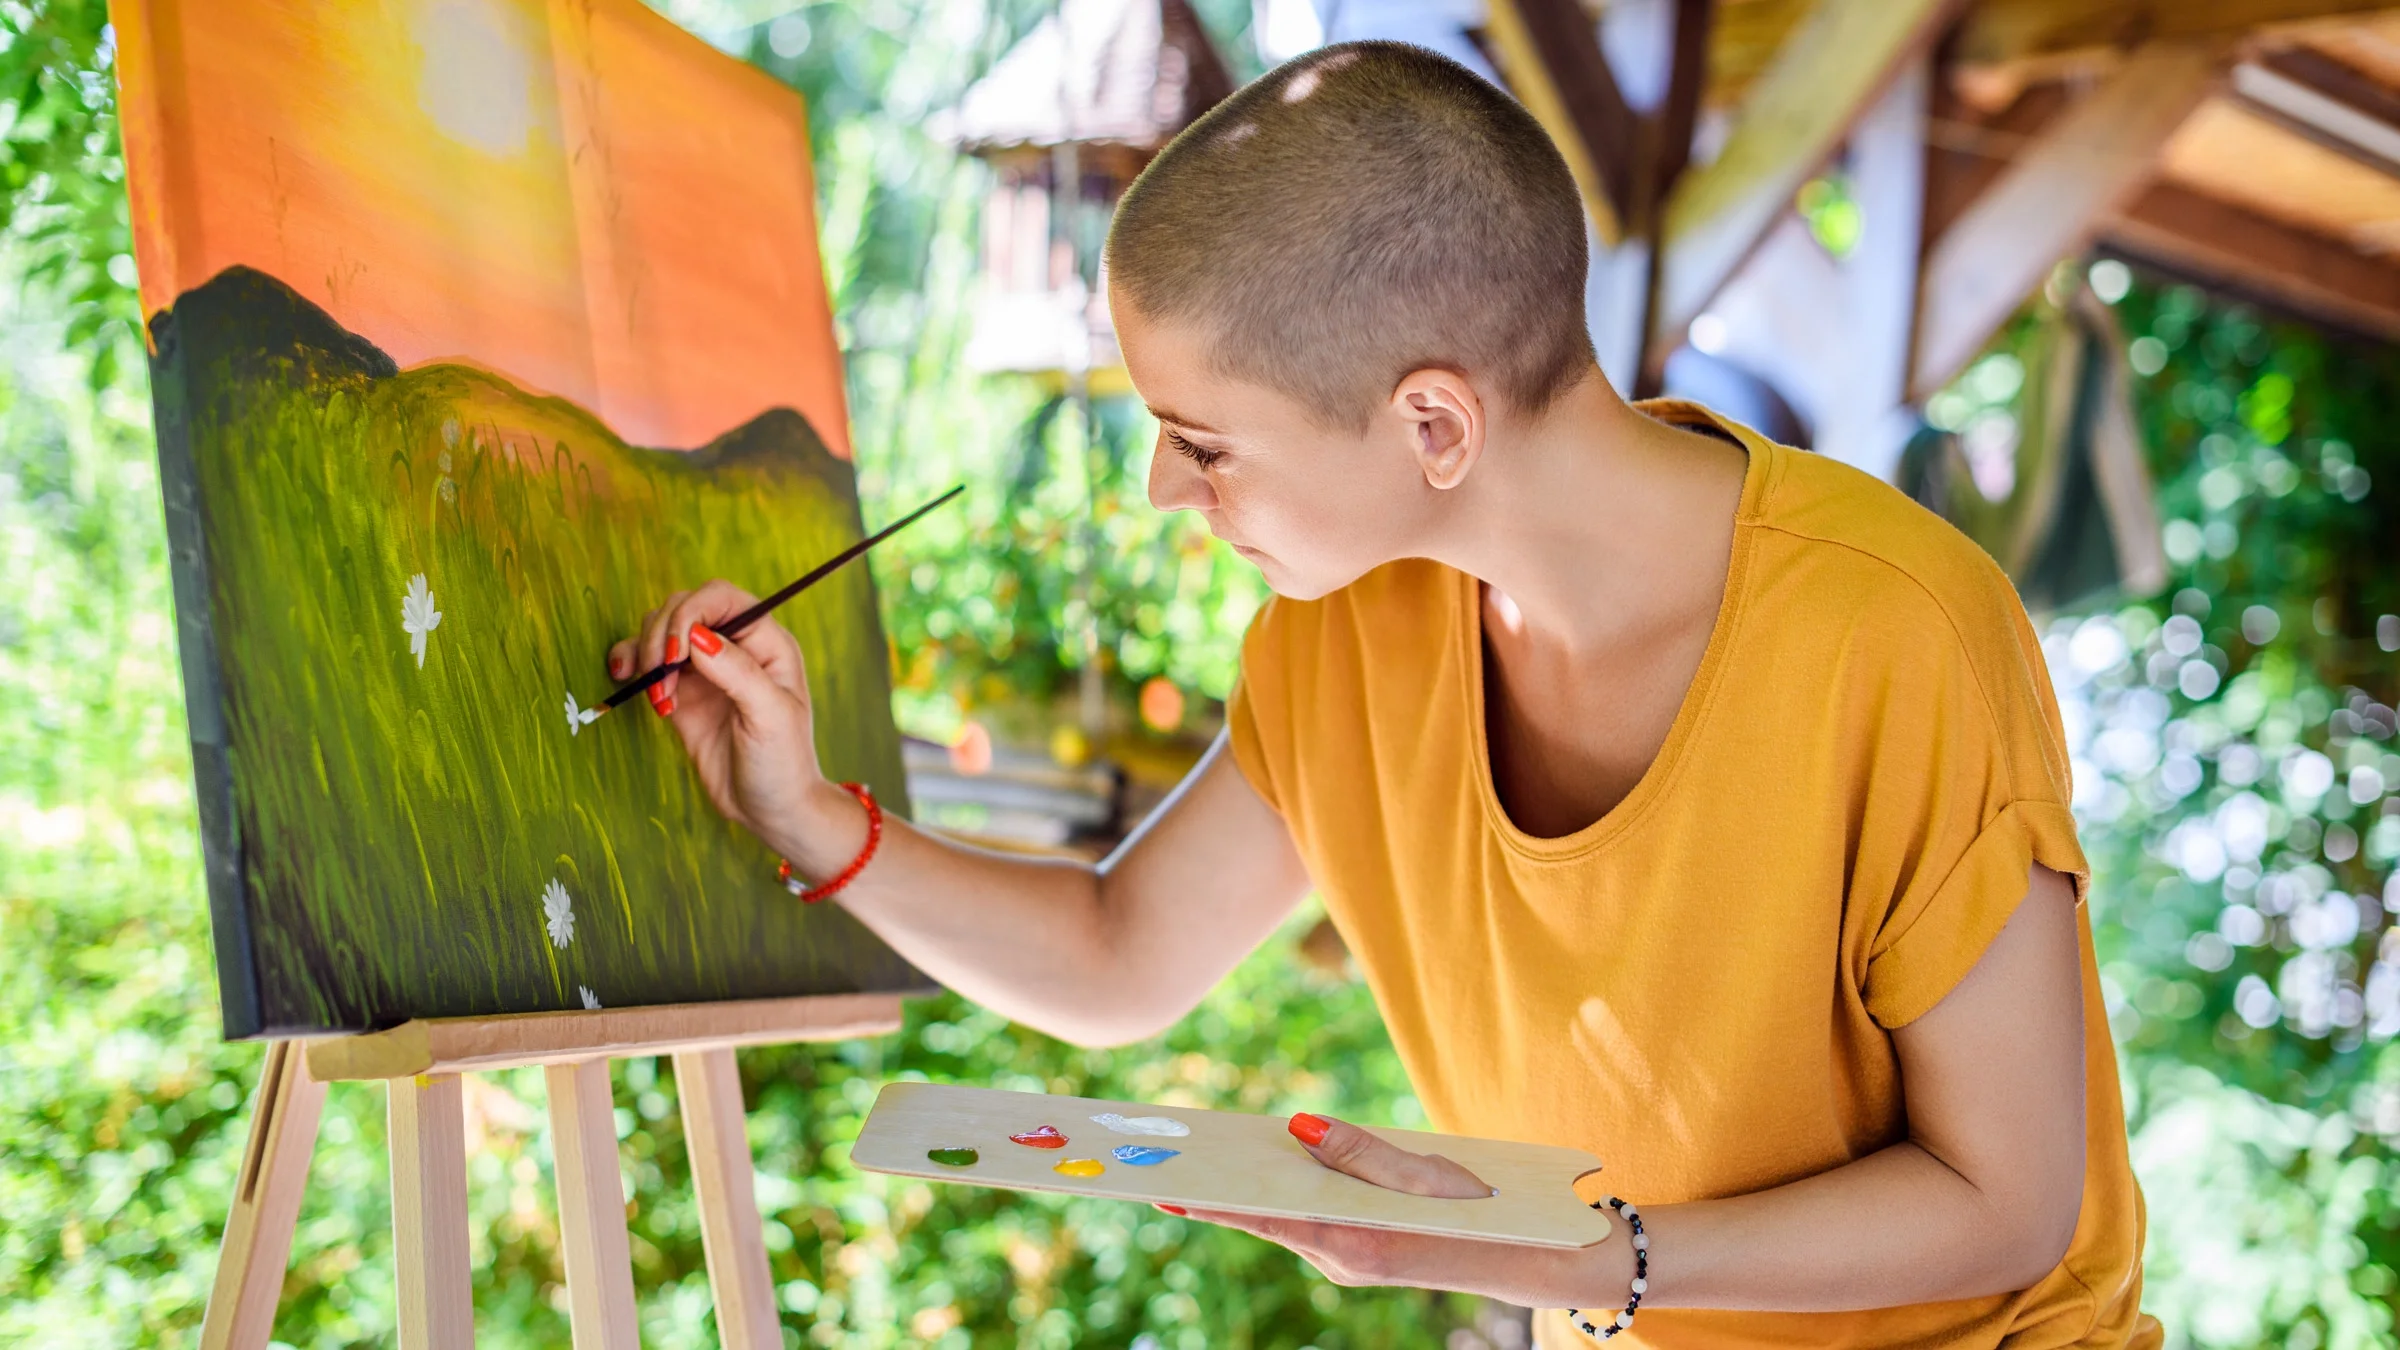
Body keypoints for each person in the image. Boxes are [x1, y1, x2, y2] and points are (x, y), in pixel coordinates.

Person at [613, 40, 2153, 1349]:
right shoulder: (1344, 634)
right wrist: (810, 816)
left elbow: (2001, 1201)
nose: (1164, 487)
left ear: (1433, 423)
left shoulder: (1898, 630)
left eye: (1203, 442)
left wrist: (1597, 1258)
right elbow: (1118, 955)